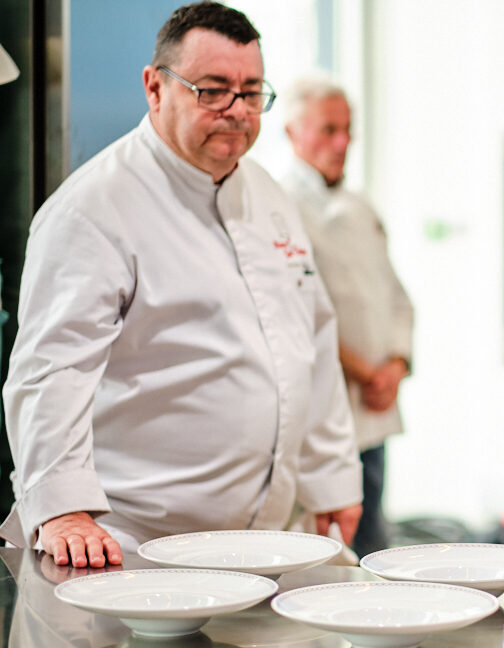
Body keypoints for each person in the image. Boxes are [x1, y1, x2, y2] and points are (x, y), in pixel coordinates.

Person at [0, 1, 362, 569]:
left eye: (251, 92)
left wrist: (332, 477)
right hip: (131, 546)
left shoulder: (271, 198)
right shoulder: (93, 207)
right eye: (212, 91)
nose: (236, 111)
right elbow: (52, 369)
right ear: (154, 87)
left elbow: (310, 340)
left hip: (265, 542)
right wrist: (62, 508)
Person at [279, 78, 413, 558]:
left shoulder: (360, 208)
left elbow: (395, 297)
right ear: (292, 132)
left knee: (372, 544)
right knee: (324, 554)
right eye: (328, 130)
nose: (342, 142)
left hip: (374, 411)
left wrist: (396, 363)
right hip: (324, 413)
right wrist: (362, 371)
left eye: (347, 130)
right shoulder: (280, 208)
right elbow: (292, 314)